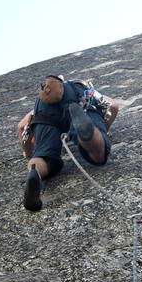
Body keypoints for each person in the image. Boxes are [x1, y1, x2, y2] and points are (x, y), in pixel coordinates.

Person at [17, 75, 119, 211]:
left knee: (43, 155)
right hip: (79, 101)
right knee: (98, 154)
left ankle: (35, 172)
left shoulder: (41, 102)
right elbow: (113, 106)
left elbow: (22, 126)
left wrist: (28, 152)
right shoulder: (83, 89)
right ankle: (88, 133)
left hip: (45, 112)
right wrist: (102, 129)